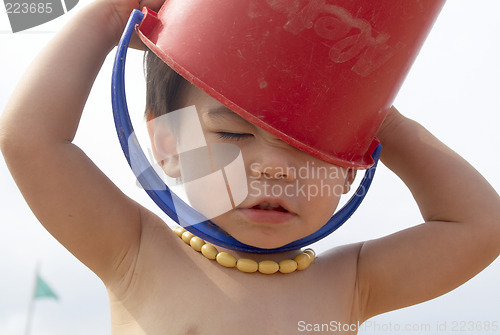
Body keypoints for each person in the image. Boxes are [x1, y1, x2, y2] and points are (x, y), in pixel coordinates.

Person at [0, 0, 499, 334]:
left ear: (350, 168)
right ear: (169, 143)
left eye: (312, 147)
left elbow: (481, 225)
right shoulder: (135, 253)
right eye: (233, 134)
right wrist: (108, 15)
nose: (274, 169)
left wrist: (372, 113)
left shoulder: (353, 283)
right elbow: (29, 140)